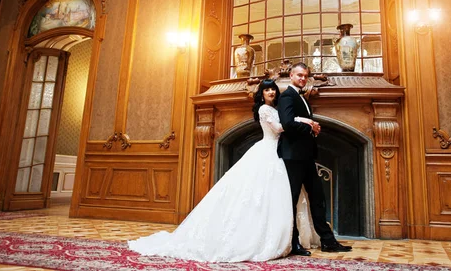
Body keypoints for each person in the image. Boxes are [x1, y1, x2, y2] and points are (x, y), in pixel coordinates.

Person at [128, 79, 313, 262]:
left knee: (273, 196)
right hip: (268, 150)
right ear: (261, 94)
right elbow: (280, 128)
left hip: (277, 153)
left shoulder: (275, 108)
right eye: (267, 90)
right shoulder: (264, 109)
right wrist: (302, 120)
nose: (271, 92)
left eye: (273, 89)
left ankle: (279, 236)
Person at [277, 62, 353, 255]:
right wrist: (310, 127)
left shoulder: (301, 97)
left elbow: (299, 121)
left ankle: (328, 241)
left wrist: (312, 128)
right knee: (291, 200)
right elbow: (287, 123)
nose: (303, 78)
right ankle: (293, 243)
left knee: (318, 198)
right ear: (291, 76)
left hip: (306, 157)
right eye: (299, 75)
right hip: (293, 156)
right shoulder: (287, 96)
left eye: (305, 76)